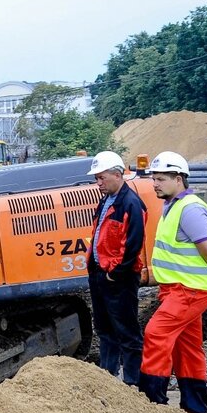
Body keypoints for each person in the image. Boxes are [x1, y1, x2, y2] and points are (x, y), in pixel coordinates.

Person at [139, 150, 207, 413]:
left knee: (156, 334)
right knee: (188, 347)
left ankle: (151, 403)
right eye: (154, 178)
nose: (154, 184)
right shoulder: (174, 205)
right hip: (179, 288)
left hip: (189, 290)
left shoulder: (189, 208)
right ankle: (195, 409)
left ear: (179, 179)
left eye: (160, 179)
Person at [85, 150, 147, 385]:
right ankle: (107, 378)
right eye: (96, 179)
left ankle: (133, 383)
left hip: (118, 279)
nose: (98, 183)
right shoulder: (106, 200)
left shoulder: (130, 203)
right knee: (105, 329)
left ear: (118, 174)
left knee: (127, 332)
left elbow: (133, 245)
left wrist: (116, 274)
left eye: (102, 178)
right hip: (101, 275)